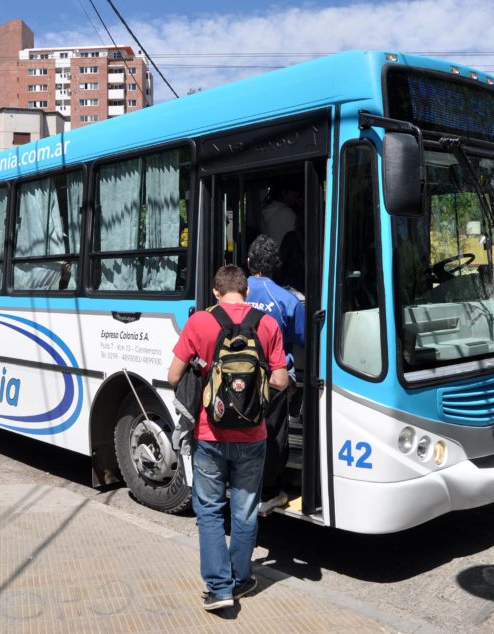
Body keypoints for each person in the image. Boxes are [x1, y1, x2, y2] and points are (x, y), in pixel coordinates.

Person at [168, 264, 288, 612]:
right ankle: (240, 579)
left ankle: (219, 589)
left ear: (216, 292)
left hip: (210, 433)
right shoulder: (267, 324)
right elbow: (280, 381)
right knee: (245, 510)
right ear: (246, 291)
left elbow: (173, 374)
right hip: (253, 435)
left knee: (208, 511)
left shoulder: (200, 322)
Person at [245, 235, 306, 515]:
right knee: (273, 434)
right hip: (274, 378)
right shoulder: (287, 300)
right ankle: (270, 492)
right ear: (276, 267)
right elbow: (304, 337)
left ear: (248, 262)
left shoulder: (237, 292)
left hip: (239, 376)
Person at [261, 177, 301, 245]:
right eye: (294, 195)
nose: (295, 199)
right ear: (284, 192)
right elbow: (301, 237)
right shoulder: (286, 212)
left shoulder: (267, 210)